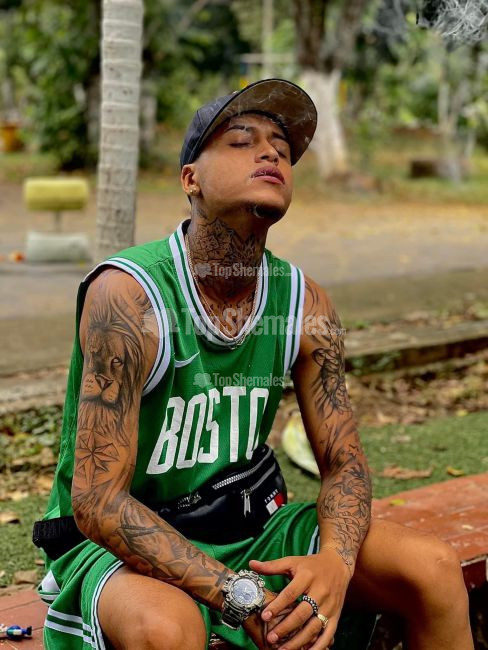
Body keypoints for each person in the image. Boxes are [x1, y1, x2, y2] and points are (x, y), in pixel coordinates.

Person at [36, 78, 473, 650]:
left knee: (432, 569)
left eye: (282, 149)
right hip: (122, 543)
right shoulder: (129, 296)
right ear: (190, 179)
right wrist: (237, 594)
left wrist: (336, 562)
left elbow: (343, 463)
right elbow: (98, 503)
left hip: (247, 528)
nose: (270, 153)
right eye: (242, 141)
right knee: (167, 629)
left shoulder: (305, 304)